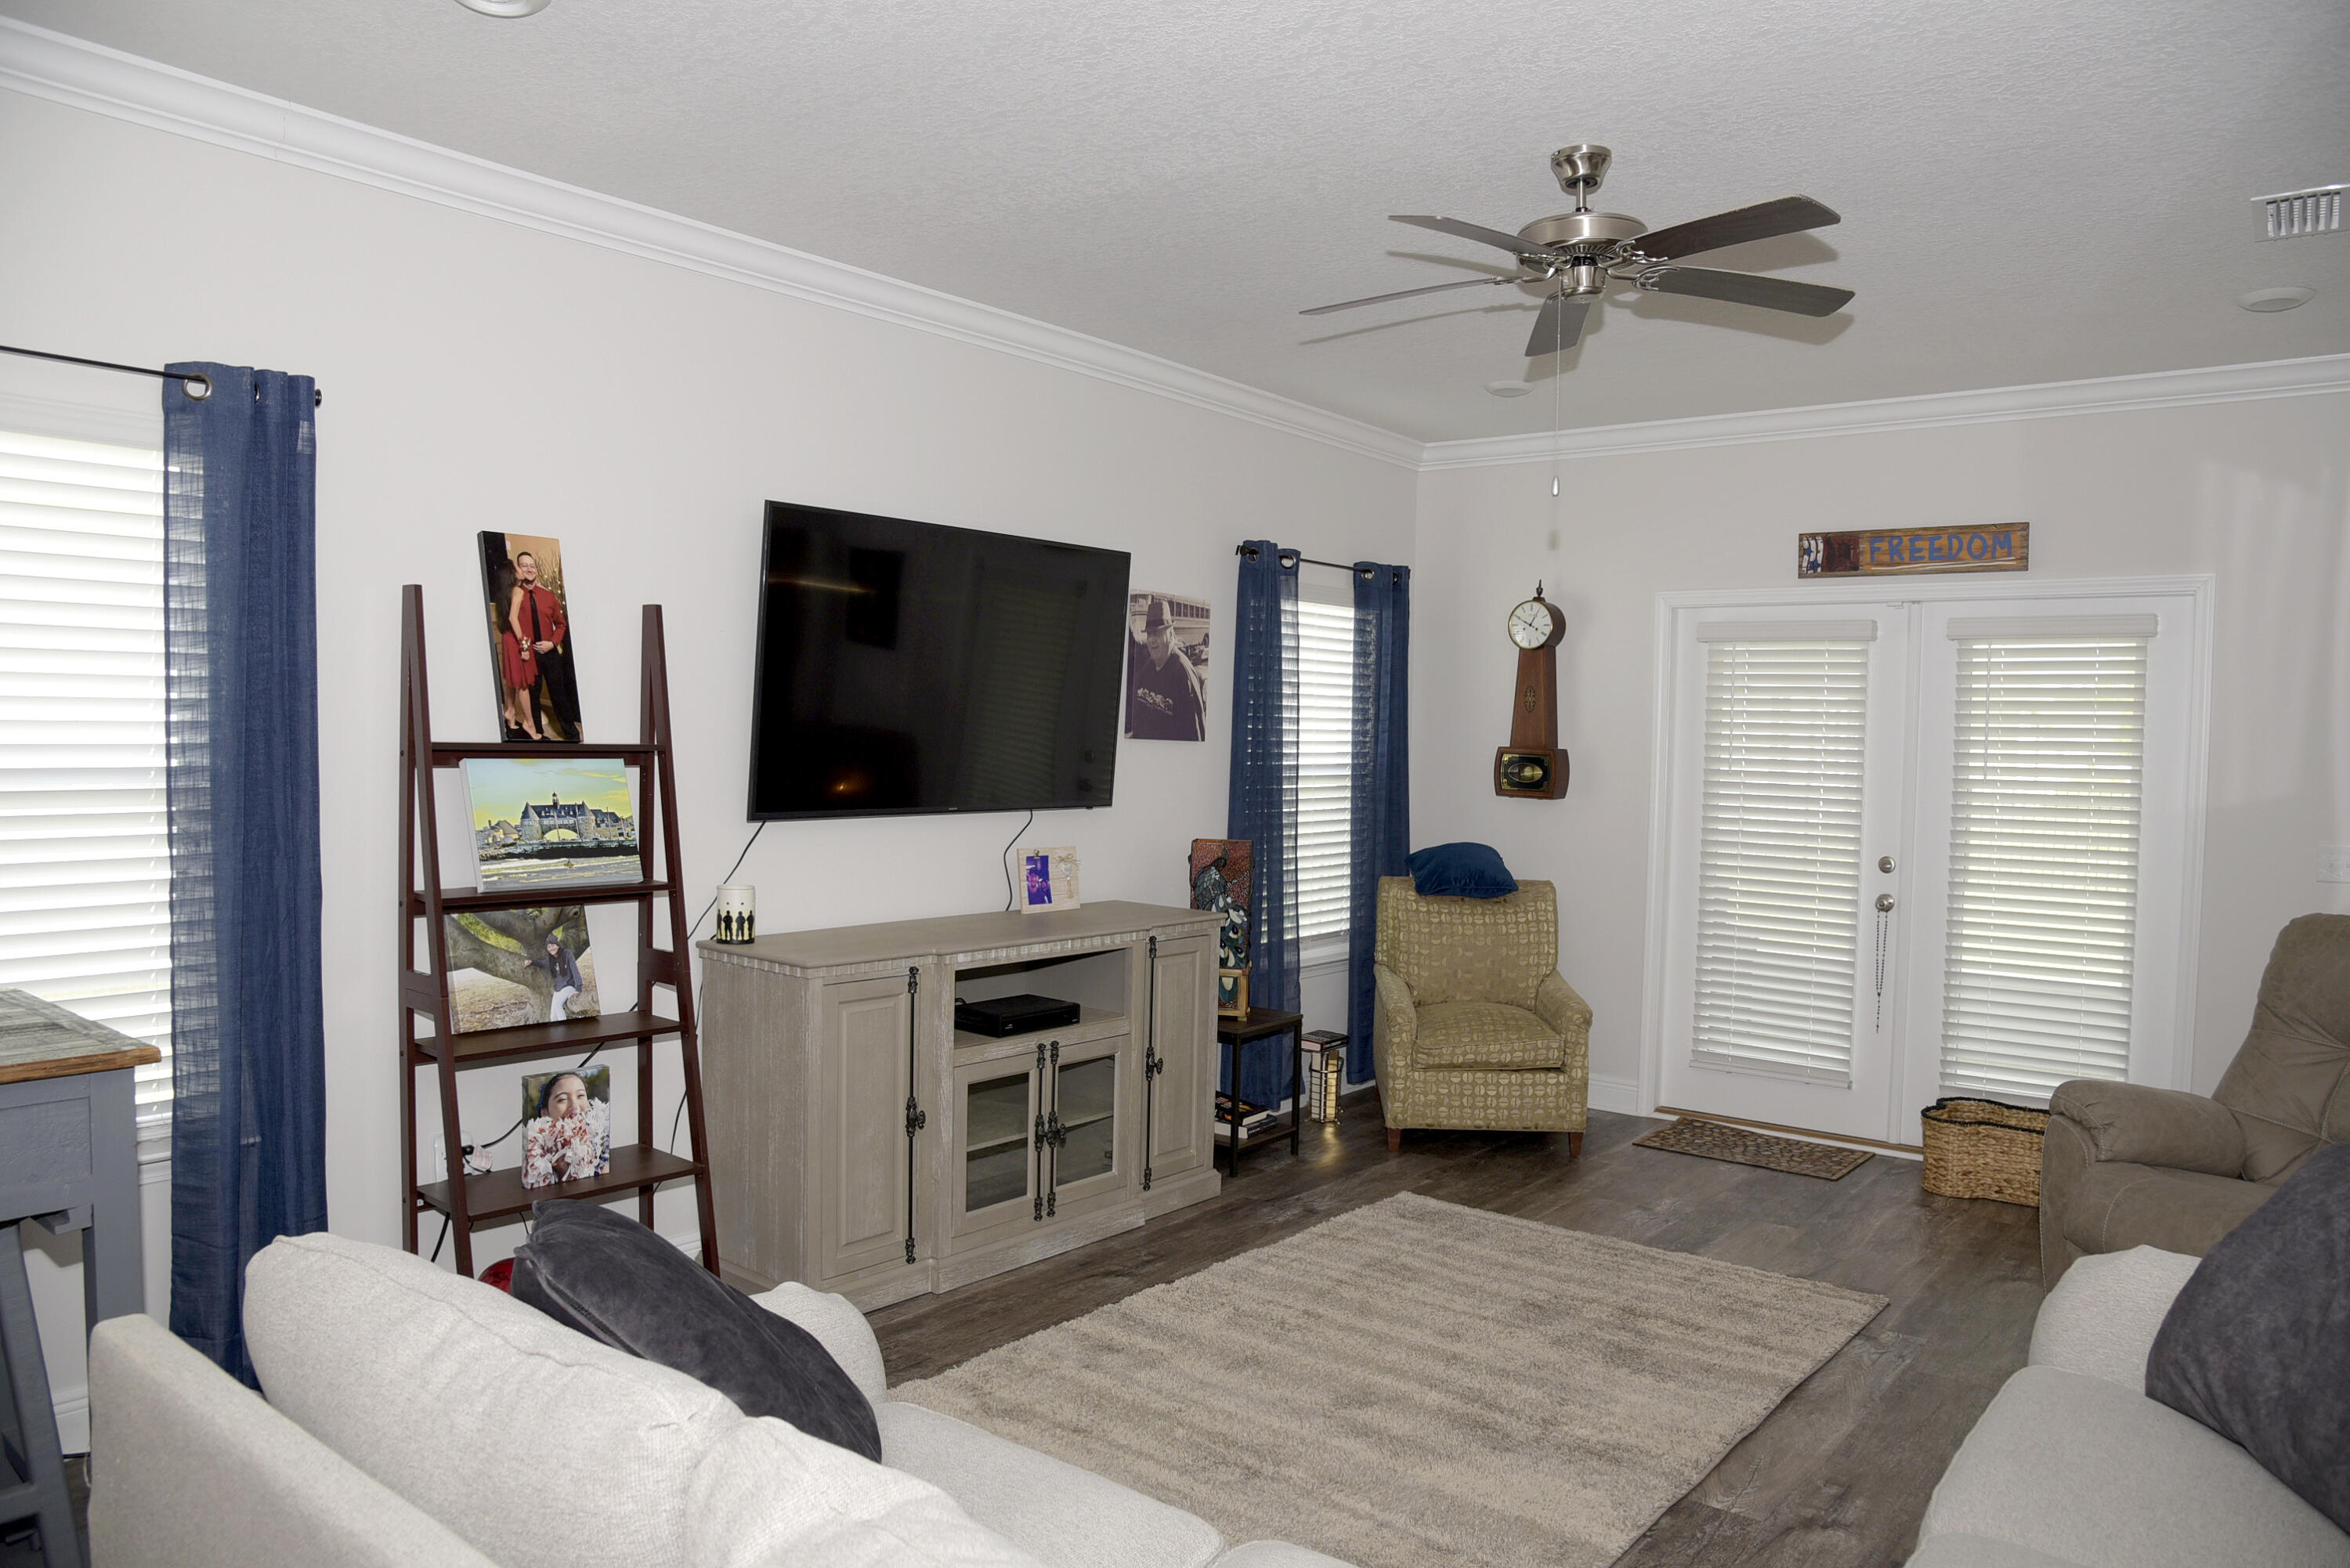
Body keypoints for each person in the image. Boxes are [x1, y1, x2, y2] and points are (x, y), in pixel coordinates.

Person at [508, 550, 580, 742]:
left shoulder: (548, 597)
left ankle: (572, 736)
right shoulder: (514, 595)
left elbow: (562, 624)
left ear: (536, 570)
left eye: (532, 566)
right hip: (528, 655)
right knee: (531, 698)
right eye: (525, 565)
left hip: (550, 653)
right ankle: (537, 736)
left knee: (560, 695)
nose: (529, 569)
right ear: (519, 570)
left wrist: (553, 643)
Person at [1126, 596, 1206, 740]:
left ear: (1170, 633)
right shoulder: (1148, 668)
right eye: (1149, 634)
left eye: (1157, 633)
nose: (1151, 640)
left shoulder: (1182, 673)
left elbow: (1195, 735)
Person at [521, 1071, 607, 1187]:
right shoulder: (534, 1152)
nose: (574, 1106)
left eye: (580, 1096)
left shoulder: (601, 1142)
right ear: (545, 1113)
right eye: (562, 1099)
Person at [530, 933, 585, 1021]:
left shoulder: (567, 954)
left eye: (552, 945)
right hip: (558, 989)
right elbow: (542, 963)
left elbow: (575, 971)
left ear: (558, 945)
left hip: (569, 986)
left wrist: (578, 989)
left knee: (558, 1005)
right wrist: (532, 962)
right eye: (549, 947)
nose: (551, 948)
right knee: (553, 1017)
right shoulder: (551, 959)